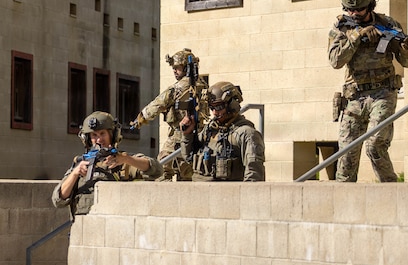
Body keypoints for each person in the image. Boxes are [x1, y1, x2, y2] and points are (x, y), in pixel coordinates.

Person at [328, 0, 408, 182]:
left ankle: (391, 193)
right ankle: (344, 202)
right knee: (347, 155)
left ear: (370, 6)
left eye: (359, 10)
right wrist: (356, 37)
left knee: (375, 145)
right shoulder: (341, 28)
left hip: (383, 92)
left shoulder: (388, 25)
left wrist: (406, 48)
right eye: (350, 10)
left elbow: (407, 62)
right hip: (354, 97)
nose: (354, 14)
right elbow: (335, 61)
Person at [52, 111, 163, 216]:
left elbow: (157, 170)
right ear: (88, 139)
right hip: (84, 229)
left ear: (112, 135)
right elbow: (58, 200)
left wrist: (126, 159)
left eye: (102, 133)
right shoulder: (80, 163)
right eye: (94, 135)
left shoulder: (123, 161)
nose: (99, 139)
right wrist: (75, 173)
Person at [129, 48, 209, 180]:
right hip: (200, 134)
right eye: (173, 68)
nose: (174, 71)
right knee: (188, 171)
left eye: (177, 68)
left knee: (160, 167)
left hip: (179, 134)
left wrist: (140, 120)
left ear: (186, 68)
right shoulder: (203, 85)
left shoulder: (177, 88)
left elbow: (156, 105)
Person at [180, 81, 265, 181]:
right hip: (201, 190)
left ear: (232, 105)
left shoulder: (247, 134)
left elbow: (254, 175)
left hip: (226, 193)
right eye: (212, 107)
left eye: (219, 107)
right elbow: (188, 158)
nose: (215, 112)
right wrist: (187, 134)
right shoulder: (210, 130)